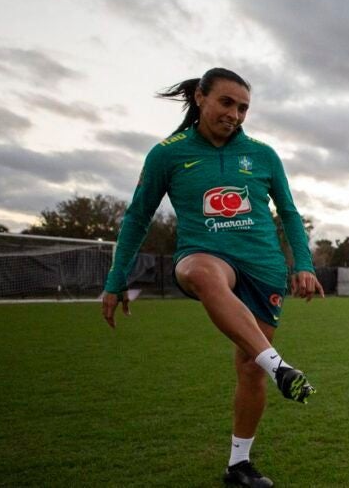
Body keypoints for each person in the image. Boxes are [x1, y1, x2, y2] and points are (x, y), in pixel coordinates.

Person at [101, 67, 324, 488]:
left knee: (249, 368)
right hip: (203, 255)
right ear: (201, 97)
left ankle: (239, 465)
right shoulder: (167, 154)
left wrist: (304, 266)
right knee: (202, 272)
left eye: (243, 107)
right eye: (226, 102)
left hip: (264, 268)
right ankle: (282, 369)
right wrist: (116, 279)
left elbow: (290, 214)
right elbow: (137, 217)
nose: (235, 114)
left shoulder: (263, 155)